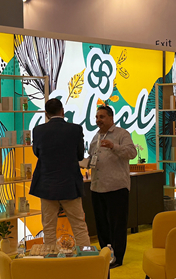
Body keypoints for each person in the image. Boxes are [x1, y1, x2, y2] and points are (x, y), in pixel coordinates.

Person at [29, 98, 91, 247]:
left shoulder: (38, 130)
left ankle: (50, 258)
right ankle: (87, 257)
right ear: (62, 111)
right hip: (70, 185)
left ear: (46, 113)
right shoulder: (75, 129)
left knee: (49, 227)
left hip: (46, 185)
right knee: (79, 226)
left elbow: (37, 153)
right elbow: (80, 156)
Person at [88, 105, 137, 269]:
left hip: (116, 187)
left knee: (117, 225)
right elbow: (92, 157)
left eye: (102, 117)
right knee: (101, 225)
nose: (98, 120)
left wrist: (113, 146)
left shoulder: (122, 134)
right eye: (97, 117)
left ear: (111, 118)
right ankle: (106, 255)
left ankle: (118, 258)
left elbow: (132, 153)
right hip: (97, 187)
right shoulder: (95, 137)